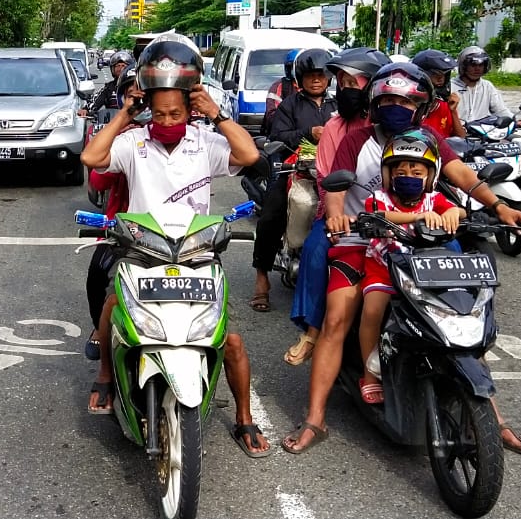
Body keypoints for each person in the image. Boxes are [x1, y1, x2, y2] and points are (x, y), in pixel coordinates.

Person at [281, 62, 521, 455]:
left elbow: (463, 176)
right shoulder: (358, 139)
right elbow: (337, 184)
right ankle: (315, 417)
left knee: (465, 309)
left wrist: (499, 207)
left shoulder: (432, 138)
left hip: (424, 238)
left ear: (420, 105)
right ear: (374, 102)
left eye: (405, 99)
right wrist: (336, 214)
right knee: (336, 316)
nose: (396, 106)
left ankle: (494, 417)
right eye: (388, 99)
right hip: (361, 239)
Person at [80, 34, 272, 457]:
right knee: (114, 307)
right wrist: (126, 115)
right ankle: (107, 377)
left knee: (231, 341)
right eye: (160, 112)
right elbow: (92, 159)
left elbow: (250, 154)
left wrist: (218, 115)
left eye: (177, 112)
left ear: (191, 107)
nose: (167, 120)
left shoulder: (205, 141)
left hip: (197, 255)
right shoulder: (134, 142)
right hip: (143, 251)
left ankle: (244, 418)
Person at [285, 47, 389, 365]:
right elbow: (327, 177)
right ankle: (312, 334)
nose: (346, 90)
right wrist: (337, 217)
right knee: (318, 252)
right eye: (341, 83)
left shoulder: (395, 124)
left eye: (352, 83)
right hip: (341, 214)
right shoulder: (335, 127)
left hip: (395, 213)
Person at [355, 131, 465, 403]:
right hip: (385, 268)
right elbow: (378, 214)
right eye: (401, 171)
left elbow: (458, 211)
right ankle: (369, 374)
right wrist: (416, 217)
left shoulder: (434, 199)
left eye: (417, 173)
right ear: (389, 174)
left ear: (430, 176)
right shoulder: (380, 197)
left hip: (423, 272)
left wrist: (452, 212)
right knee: (373, 310)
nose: (409, 177)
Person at [250, 48, 334, 314]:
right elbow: (277, 136)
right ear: (300, 78)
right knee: (270, 216)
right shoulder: (290, 104)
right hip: (295, 173)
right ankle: (261, 280)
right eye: (310, 76)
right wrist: (308, 133)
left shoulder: (339, 105)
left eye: (321, 75)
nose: (316, 80)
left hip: (332, 176)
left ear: (329, 77)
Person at [83, 66, 143, 361]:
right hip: (123, 230)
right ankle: (100, 330)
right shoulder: (119, 136)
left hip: (173, 232)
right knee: (97, 276)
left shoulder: (185, 137)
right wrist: (120, 133)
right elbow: (96, 179)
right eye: (133, 99)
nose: (140, 105)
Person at [451, 46, 521, 131]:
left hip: (482, 133)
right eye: (473, 64)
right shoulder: (451, 86)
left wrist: (515, 120)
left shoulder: (487, 86)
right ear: (464, 66)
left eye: (481, 65)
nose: (477, 68)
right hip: (456, 133)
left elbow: (500, 109)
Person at [411, 49, 465, 138]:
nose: (441, 79)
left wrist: (453, 111)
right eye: (435, 74)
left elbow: (461, 137)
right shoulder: (410, 105)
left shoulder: (443, 105)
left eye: (444, 75)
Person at [80, 50, 134, 117]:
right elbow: (96, 100)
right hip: (113, 124)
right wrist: (86, 109)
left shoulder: (137, 86)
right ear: (112, 69)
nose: (120, 68)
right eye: (117, 66)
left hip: (134, 124)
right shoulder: (109, 87)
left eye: (123, 65)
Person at [263, 49, 301, 131]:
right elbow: (272, 117)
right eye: (294, 67)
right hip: (284, 135)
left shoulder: (317, 88)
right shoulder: (280, 86)